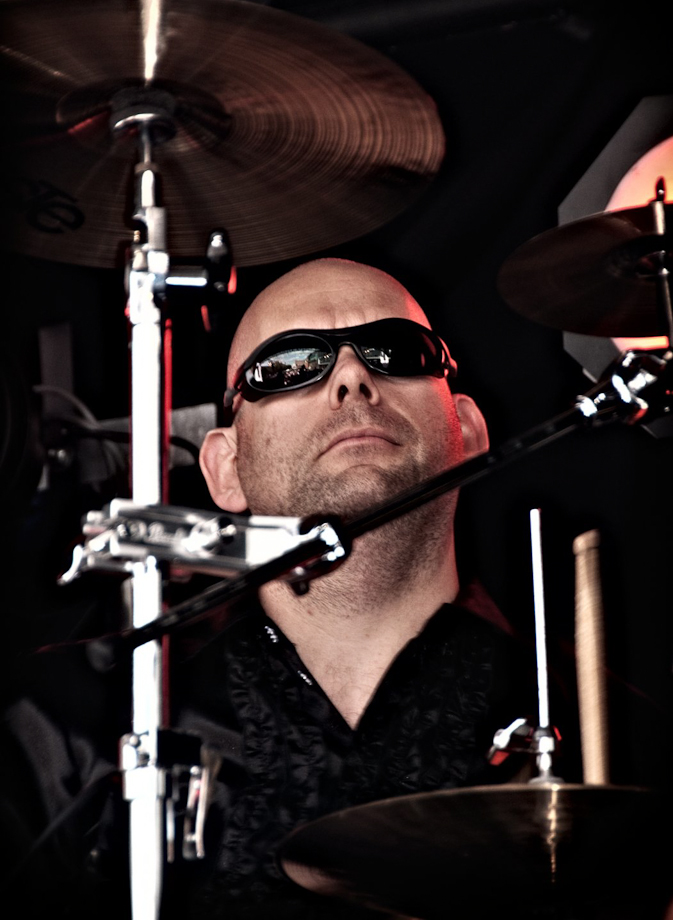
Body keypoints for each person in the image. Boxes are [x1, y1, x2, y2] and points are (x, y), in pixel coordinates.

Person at [2, 257, 665, 919]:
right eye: (290, 365)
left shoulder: (619, 730)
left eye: (396, 351)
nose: (352, 376)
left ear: (467, 431)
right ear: (225, 468)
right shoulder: (63, 722)